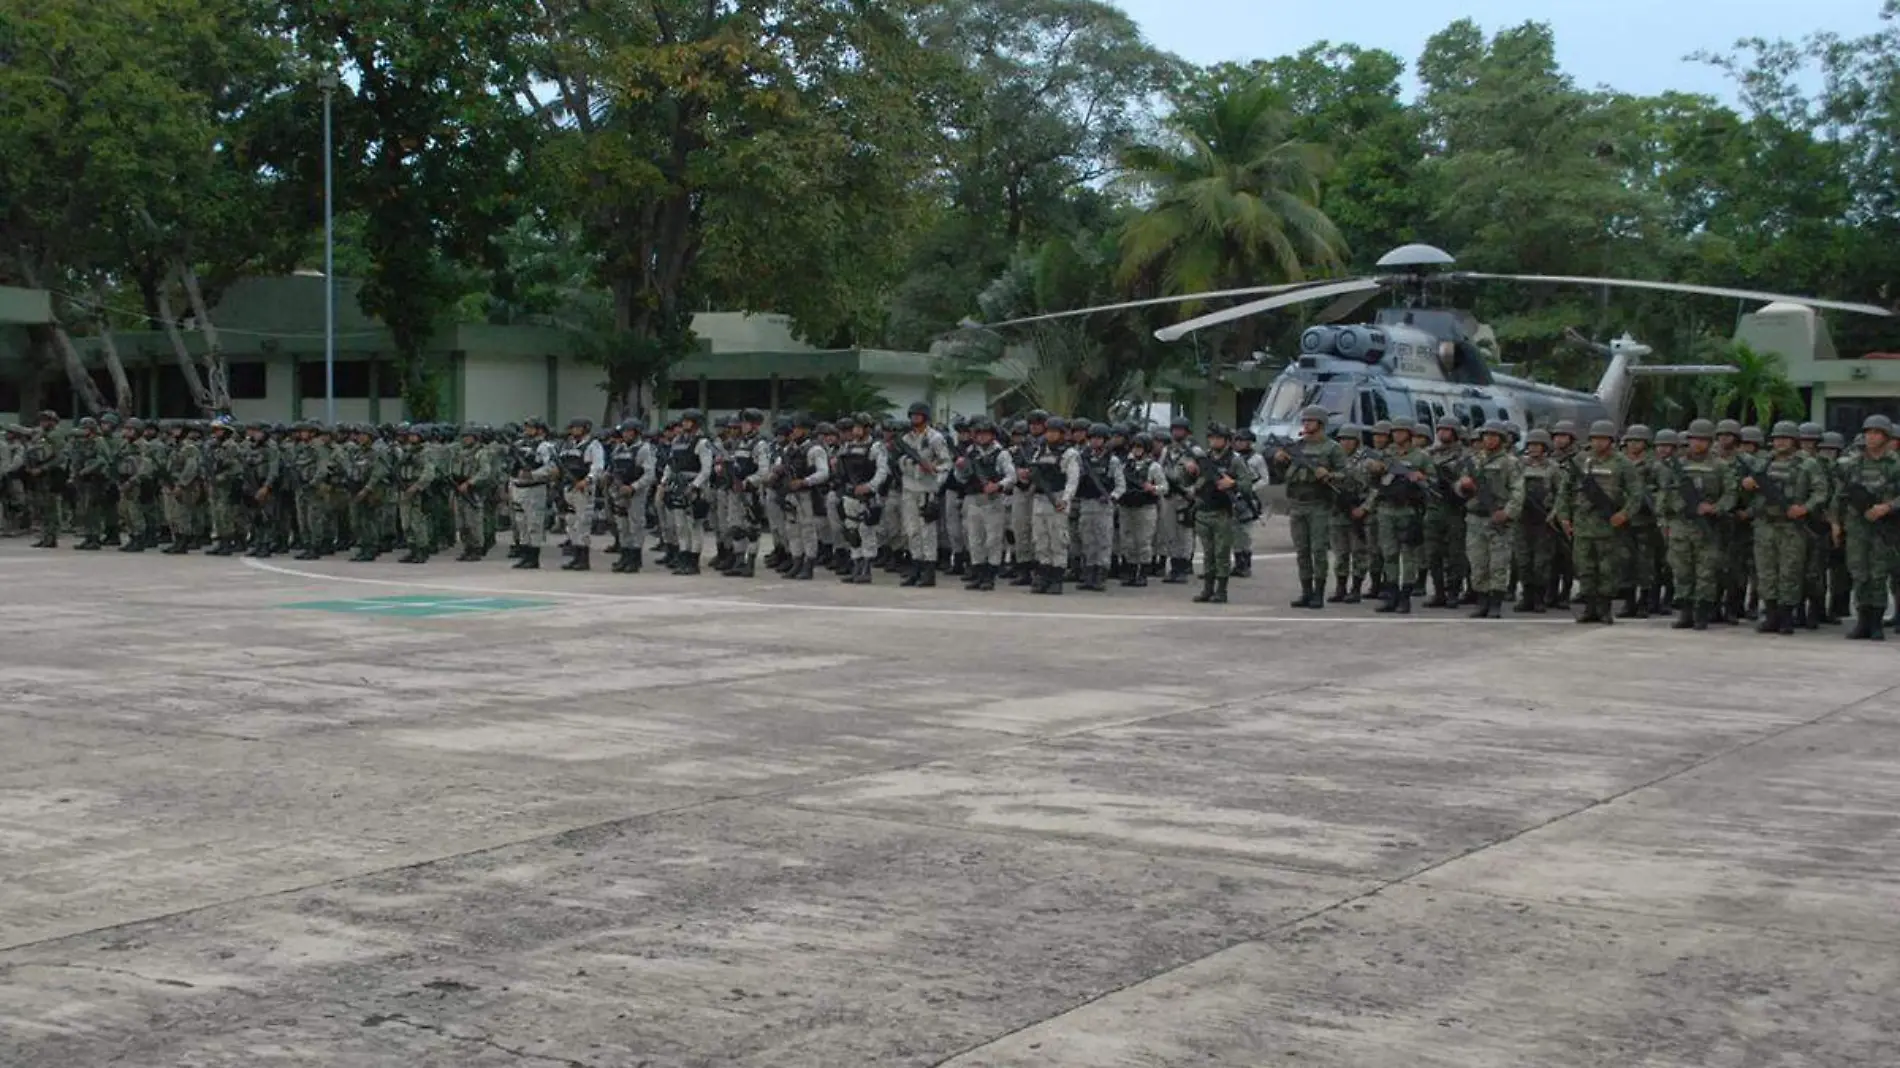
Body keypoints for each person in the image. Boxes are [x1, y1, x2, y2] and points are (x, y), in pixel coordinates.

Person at [1272, 405, 1344, 609]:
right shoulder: (1296, 448)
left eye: (1310, 421)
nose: (1306, 424)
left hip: (1319, 504)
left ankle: (1318, 593)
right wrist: (1280, 462)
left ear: (1320, 424)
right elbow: (1282, 475)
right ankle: (1306, 591)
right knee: (1302, 550)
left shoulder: (1332, 448)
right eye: (1304, 421)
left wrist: (1329, 475)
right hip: (1297, 503)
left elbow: (1348, 476)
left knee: (1318, 550)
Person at [1184, 423, 1255, 604]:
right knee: (1208, 553)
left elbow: (1247, 484)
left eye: (1218, 438)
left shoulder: (1235, 460)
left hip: (1223, 512)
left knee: (1221, 553)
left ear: (1226, 440)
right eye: (1211, 438)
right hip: (1203, 510)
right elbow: (1187, 481)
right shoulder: (1204, 459)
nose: (1214, 441)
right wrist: (1190, 472)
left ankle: (1221, 590)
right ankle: (1207, 589)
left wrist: (1233, 484)